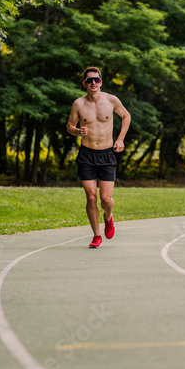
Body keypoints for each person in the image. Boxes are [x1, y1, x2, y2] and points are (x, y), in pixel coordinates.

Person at [66, 66, 131, 248]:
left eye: (96, 80)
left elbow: (126, 116)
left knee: (106, 200)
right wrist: (78, 130)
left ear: (100, 82)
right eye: (89, 80)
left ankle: (108, 218)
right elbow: (70, 126)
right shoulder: (78, 104)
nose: (93, 83)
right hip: (86, 155)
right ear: (84, 83)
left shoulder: (111, 100)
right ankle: (96, 235)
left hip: (107, 154)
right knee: (91, 197)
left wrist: (120, 139)